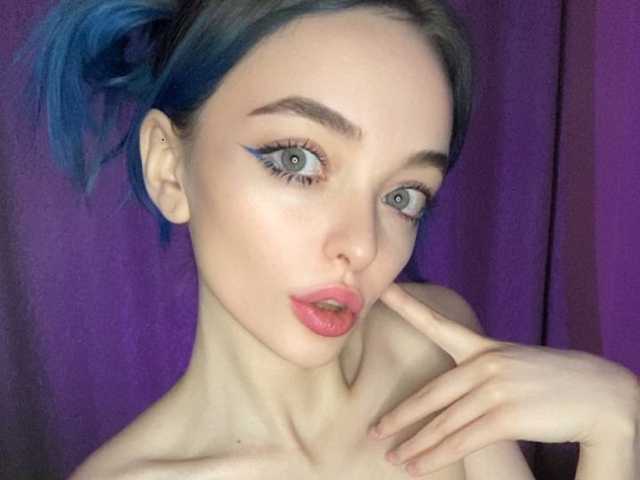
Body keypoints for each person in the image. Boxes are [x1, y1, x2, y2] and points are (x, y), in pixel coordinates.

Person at [16, 0, 639, 478]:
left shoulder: (434, 354)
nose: (362, 247)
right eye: (298, 161)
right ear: (169, 169)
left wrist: (617, 429)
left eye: (403, 196)